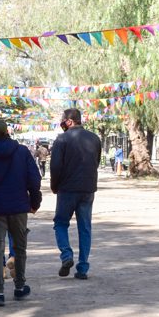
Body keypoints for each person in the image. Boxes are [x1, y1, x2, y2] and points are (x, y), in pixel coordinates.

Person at [0, 120, 42, 307]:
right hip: (19, 208)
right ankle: (20, 287)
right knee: (20, 248)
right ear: (7, 132)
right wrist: (34, 202)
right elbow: (34, 179)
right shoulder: (22, 152)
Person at [50, 109, 101, 280]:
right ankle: (83, 268)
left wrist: (54, 186)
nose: (62, 123)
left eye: (63, 120)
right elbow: (97, 162)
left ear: (70, 121)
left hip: (67, 189)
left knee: (60, 223)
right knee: (85, 227)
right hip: (88, 189)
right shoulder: (94, 138)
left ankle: (66, 255)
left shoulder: (62, 139)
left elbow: (55, 167)